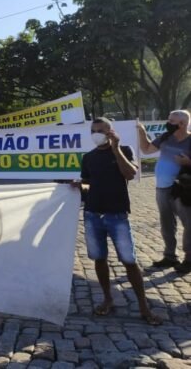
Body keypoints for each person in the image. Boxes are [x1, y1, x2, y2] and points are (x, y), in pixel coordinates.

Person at [75, 117, 160, 325]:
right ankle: (108, 299)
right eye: (93, 130)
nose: (96, 134)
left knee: (129, 261)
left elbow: (130, 174)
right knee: (99, 259)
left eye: (101, 130)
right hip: (93, 214)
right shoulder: (88, 158)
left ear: (110, 132)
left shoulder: (125, 150)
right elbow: (88, 185)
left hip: (117, 215)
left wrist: (116, 148)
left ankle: (143, 307)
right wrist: (77, 186)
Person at [137, 110, 191, 273]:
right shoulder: (166, 137)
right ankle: (170, 257)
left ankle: (189, 259)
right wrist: (142, 132)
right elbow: (146, 149)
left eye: (171, 121)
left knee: (189, 224)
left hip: (183, 190)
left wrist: (189, 162)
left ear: (182, 124)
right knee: (166, 224)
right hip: (162, 188)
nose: (167, 123)